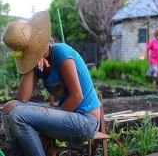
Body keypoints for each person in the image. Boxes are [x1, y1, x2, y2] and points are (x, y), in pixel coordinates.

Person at [1, 11, 101, 156]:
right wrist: (31, 65)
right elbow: (22, 98)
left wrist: (52, 116)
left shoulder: (61, 52)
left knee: (18, 115)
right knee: (9, 108)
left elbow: (77, 97)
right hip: (68, 116)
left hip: (85, 121)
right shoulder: (38, 65)